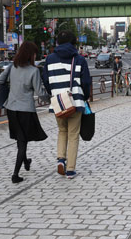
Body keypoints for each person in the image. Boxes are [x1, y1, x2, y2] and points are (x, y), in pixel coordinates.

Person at [0, 41, 49, 184]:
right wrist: (51, 98)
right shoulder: (34, 71)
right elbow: (40, 92)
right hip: (26, 110)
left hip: (11, 109)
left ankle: (26, 160)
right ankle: (15, 174)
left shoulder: (12, 67)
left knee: (20, 138)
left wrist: (10, 86)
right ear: (31, 54)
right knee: (23, 142)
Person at [42, 31, 92, 179]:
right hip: (75, 101)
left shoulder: (49, 59)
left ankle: (61, 159)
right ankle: (70, 169)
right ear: (73, 42)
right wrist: (84, 97)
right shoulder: (79, 59)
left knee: (62, 131)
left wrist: (55, 93)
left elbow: (46, 80)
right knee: (73, 135)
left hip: (58, 101)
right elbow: (86, 82)